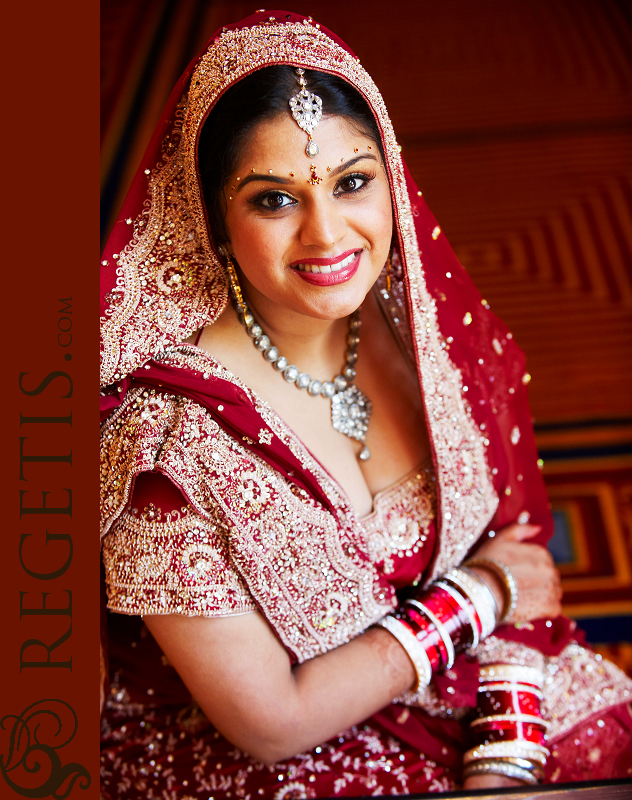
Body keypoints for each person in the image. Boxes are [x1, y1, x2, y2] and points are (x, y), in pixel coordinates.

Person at [99, 10, 632, 797]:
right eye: (274, 200)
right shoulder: (167, 448)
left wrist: (508, 738)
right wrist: (478, 598)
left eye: (353, 182)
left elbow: (516, 541)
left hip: (467, 681)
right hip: (273, 755)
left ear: (392, 174)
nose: (327, 235)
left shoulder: (416, 322)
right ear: (211, 218)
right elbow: (269, 724)